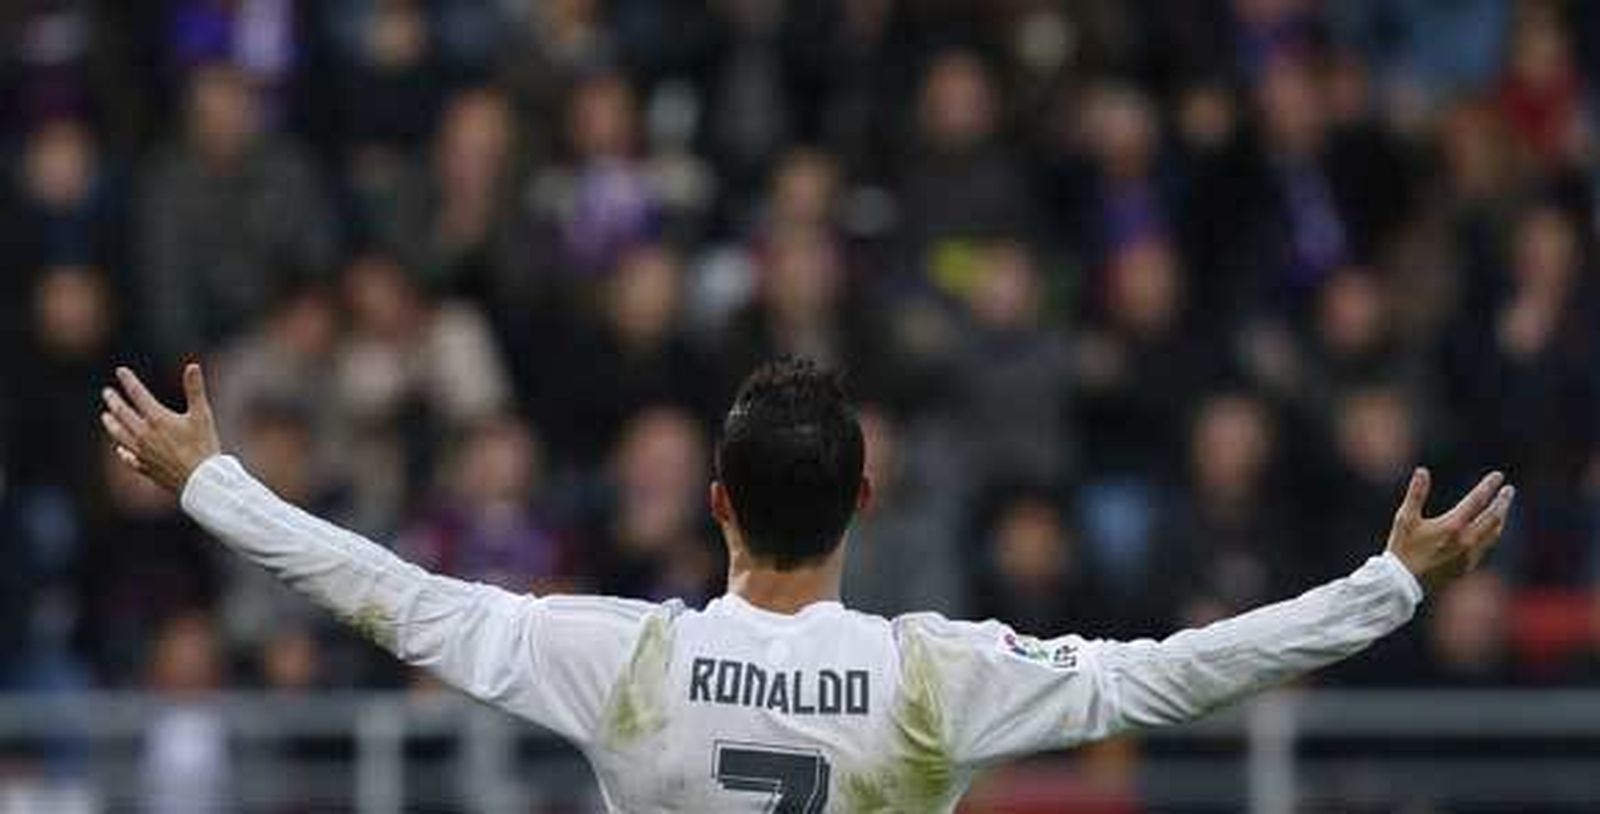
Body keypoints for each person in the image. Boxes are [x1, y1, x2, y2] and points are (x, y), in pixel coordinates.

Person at [98, 357, 1514, 812]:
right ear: (866, 504)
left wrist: (210, 480)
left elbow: (391, 594)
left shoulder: (622, 658)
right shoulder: (929, 677)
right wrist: (1387, 582)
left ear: (717, 504)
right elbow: (1168, 670)